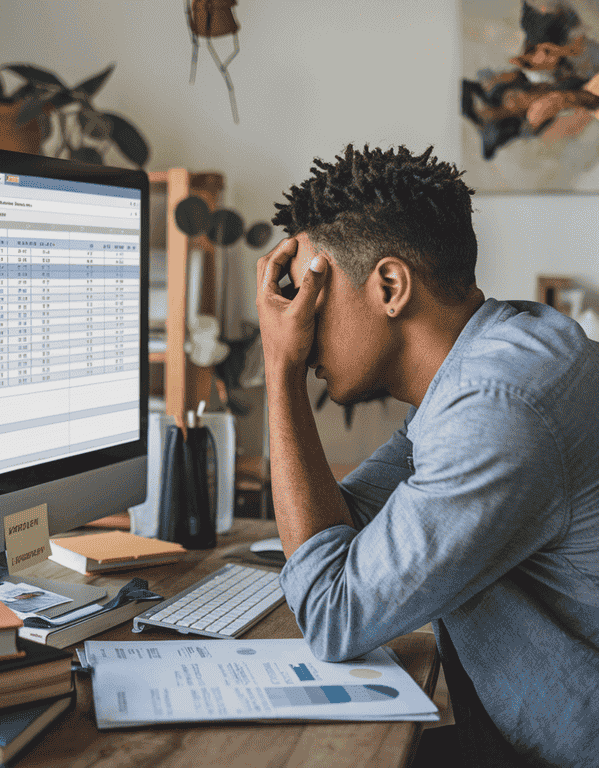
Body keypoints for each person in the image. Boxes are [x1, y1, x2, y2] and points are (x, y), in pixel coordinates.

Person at [255, 144, 599, 767]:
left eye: (313, 299)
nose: (299, 336)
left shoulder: (498, 408)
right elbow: (348, 524)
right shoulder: (485, 363)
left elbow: (333, 611)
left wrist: (278, 371)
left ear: (390, 285)